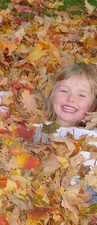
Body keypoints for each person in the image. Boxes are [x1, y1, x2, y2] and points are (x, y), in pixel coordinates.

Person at [45, 62, 97, 206]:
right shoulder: (41, 130)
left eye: (81, 95)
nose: (71, 98)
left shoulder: (92, 135)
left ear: (92, 105)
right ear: (52, 95)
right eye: (64, 91)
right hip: (50, 198)